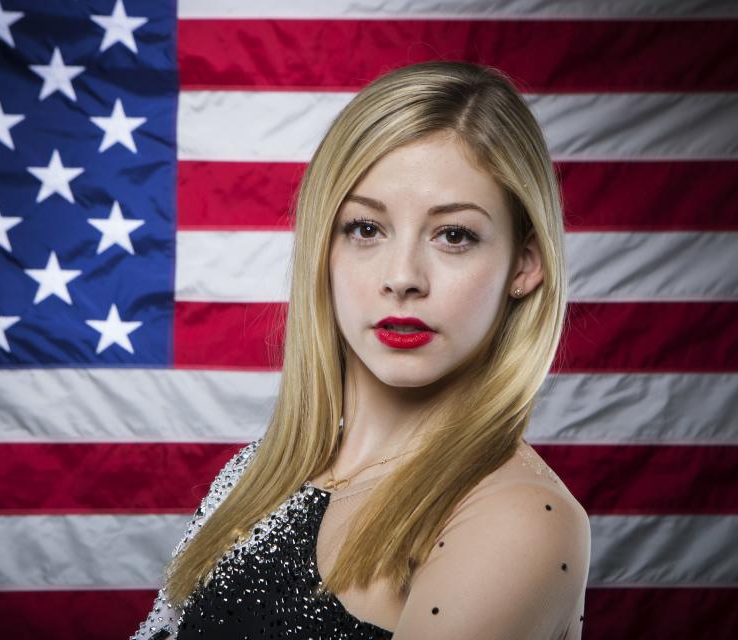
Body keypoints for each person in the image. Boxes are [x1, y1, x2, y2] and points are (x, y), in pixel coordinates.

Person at [130, 60, 591, 640]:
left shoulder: (517, 519)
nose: (402, 277)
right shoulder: (258, 470)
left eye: (454, 235)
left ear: (525, 264)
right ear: (324, 244)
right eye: (366, 229)